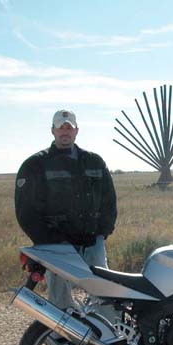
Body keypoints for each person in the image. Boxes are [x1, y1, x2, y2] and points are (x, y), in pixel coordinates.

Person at [14, 109, 117, 314]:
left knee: (104, 296)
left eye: (69, 128)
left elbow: (109, 201)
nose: (65, 132)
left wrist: (101, 233)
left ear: (76, 131)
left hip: (92, 243)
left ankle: (107, 339)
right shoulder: (36, 165)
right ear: (52, 131)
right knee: (60, 302)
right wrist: (50, 241)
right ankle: (62, 341)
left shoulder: (94, 161)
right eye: (60, 128)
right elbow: (26, 210)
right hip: (58, 246)